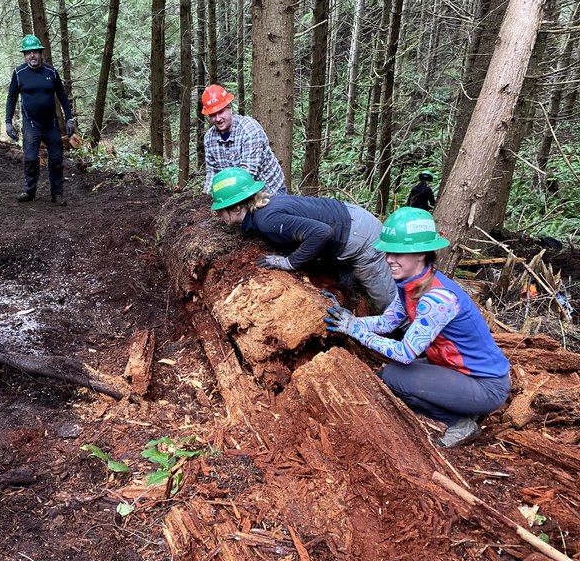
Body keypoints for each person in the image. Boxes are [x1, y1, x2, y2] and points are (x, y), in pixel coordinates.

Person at [324, 207, 511, 449]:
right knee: (386, 379)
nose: (390, 259)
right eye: (388, 251)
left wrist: (355, 331)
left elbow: (405, 352)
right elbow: (386, 322)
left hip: (484, 384)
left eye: (399, 253)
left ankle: (458, 421)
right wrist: (350, 321)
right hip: (454, 370)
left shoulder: (438, 299)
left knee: (394, 377)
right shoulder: (410, 285)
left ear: (421, 254)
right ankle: (459, 407)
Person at [211, 167, 396, 311]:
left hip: (361, 236)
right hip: (350, 222)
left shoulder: (266, 219)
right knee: (347, 288)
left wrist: (288, 263)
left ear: (236, 208)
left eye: (221, 210)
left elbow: (321, 232)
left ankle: (414, 345)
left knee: (387, 302)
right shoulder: (263, 210)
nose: (219, 215)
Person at [5, 34, 74, 206]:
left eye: (35, 51)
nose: (32, 56)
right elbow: (11, 97)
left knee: (57, 159)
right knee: (30, 159)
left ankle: (57, 194)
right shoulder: (19, 73)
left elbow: (62, 96)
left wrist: (70, 119)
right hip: (31, 125)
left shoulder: (51, 72)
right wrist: (8, 122)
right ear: (25, 55)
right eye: (28, 53)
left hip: (51, 125)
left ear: (41, 53)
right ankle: (29, 191)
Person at [202, 84, 287, 196]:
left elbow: (248, 173)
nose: (218, 119)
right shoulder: (209, 138)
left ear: (230, 108)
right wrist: (208, 195)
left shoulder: (249, 130)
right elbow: (213, 172)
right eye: (213, 115)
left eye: (221, 112)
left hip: (270, 191)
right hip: (238, 194)